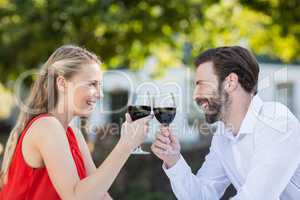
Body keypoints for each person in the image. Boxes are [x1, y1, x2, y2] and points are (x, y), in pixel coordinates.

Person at [0, 45, 152, 199]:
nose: (100, 94)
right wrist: (126, 144)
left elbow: (100, 196)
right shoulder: (46, 126)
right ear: (62, 83)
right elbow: (75, 197)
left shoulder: (74, 134)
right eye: (92, 84)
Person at [151, 46, 300, 199]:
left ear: (230, 82)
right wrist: (173, 160)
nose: (195, 95)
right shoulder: (223, 135)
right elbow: (202, 195)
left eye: (202, 84)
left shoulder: (276, 122)